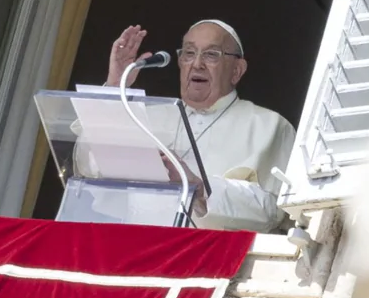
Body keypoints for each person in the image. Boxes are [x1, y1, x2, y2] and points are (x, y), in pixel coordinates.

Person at [105, 20, 296, 232]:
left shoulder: (269, 125)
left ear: (237, 70)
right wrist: (114, 87)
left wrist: (199, 188)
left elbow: (276, 211)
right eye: (189, 53)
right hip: (137, 248)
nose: (197, 64)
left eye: (211, 54)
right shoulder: (145, 116)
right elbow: (91, 167)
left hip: (217, 259)